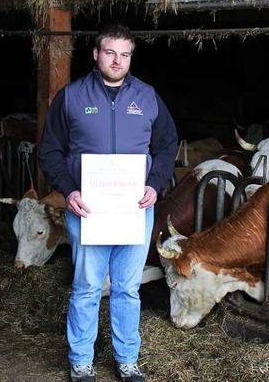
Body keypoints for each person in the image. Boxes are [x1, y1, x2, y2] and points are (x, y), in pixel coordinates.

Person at [38, 24, 177, 382]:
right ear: (96, 54)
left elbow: (166, 146)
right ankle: (81, 361)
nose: (118, 61)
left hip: (135, 210)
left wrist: (155, 184)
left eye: (125, 54)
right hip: (89, 210)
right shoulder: (70, 97)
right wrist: (69, 190)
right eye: (111, 53)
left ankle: (127, 360)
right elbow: (50, 150)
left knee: (127, 289)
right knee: (86, 287)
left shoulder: (147, 97)